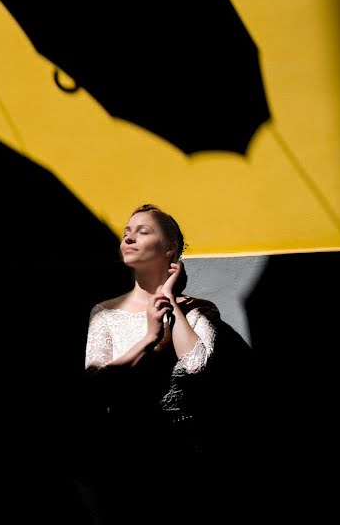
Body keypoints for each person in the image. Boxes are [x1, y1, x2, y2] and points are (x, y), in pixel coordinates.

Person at [75, 203, 234, 521]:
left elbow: (197, 365)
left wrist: (171, 301)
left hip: (186, 459)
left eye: (142, 231)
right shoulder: (104, 312)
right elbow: (96, 383)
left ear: (169, 249)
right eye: (126, 233)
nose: (128, 239)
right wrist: (150, 337)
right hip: (122, 460)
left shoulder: (199, 310)